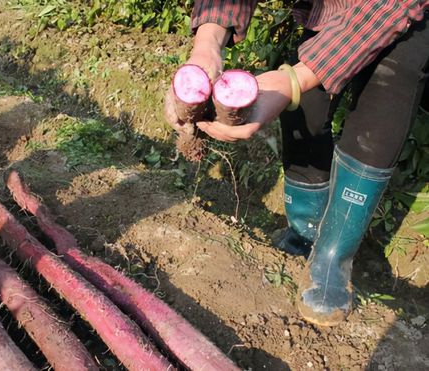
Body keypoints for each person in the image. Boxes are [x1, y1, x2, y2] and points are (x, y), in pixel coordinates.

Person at [165, 0, 429, 326]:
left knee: (380, 113)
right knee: (304, 110)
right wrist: (207, 45)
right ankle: (305, 230)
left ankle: (333, 256)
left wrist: (293, 80)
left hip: (407, 15)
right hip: (332, 10)